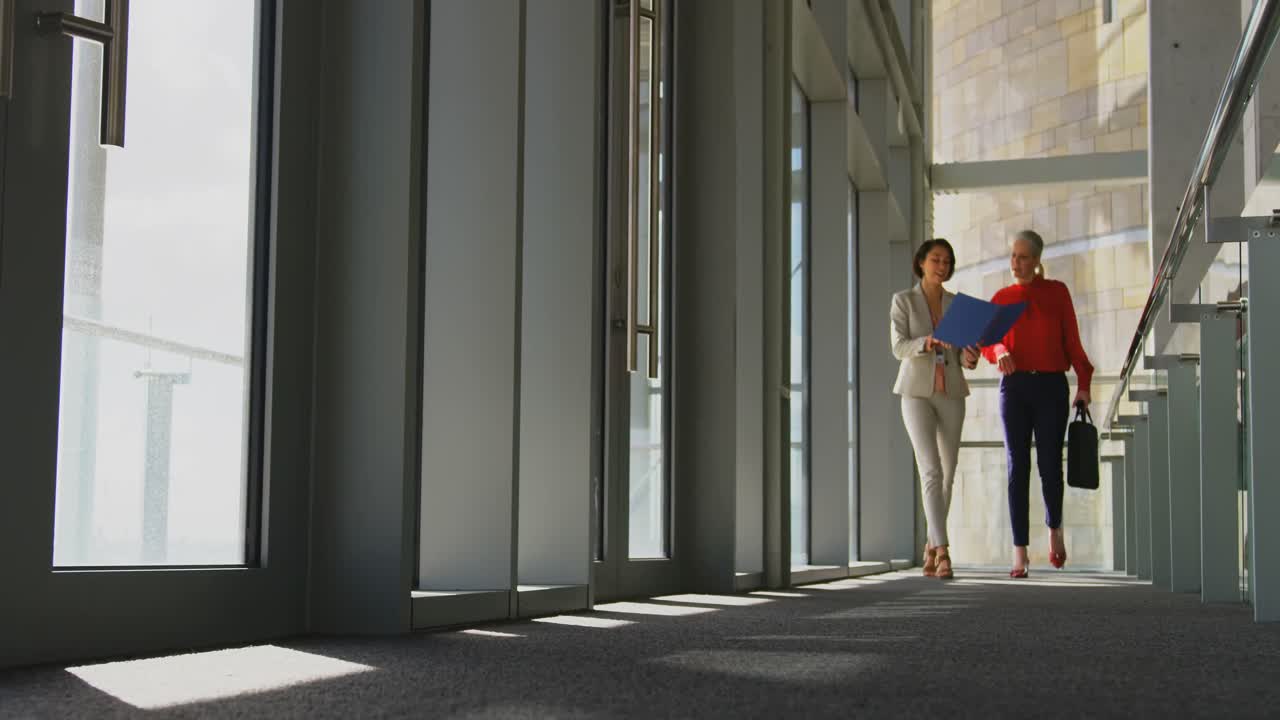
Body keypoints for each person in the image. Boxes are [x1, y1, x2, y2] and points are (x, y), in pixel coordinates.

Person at [981, 230, 1094, 578]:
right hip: (1013, 389)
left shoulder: (1056, 292)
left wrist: (1084, 383)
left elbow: (1072, 341)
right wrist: (999, 350)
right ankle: (1019, 553)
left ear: (1037, 260)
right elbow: (987, 342)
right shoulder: (1001, 298)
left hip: (1051, 388)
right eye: (1013, 256)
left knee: (1049, 464)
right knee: (1018, 467)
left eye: (1023, 256)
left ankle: (1054, 530)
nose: (1016, 262)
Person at [891, 238, 979, 580]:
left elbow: (963, 358)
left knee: (948, 471)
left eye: (947, 261)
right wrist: (928, 342)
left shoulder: (958, 304)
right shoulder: (903, 300)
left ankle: (931, 544)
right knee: (930, 470)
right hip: (915, 392)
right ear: (921, 262)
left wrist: (970, 356)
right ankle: (943, 552)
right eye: (936, 260)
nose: (942, 266)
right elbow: (899, 347)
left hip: (951, 391)